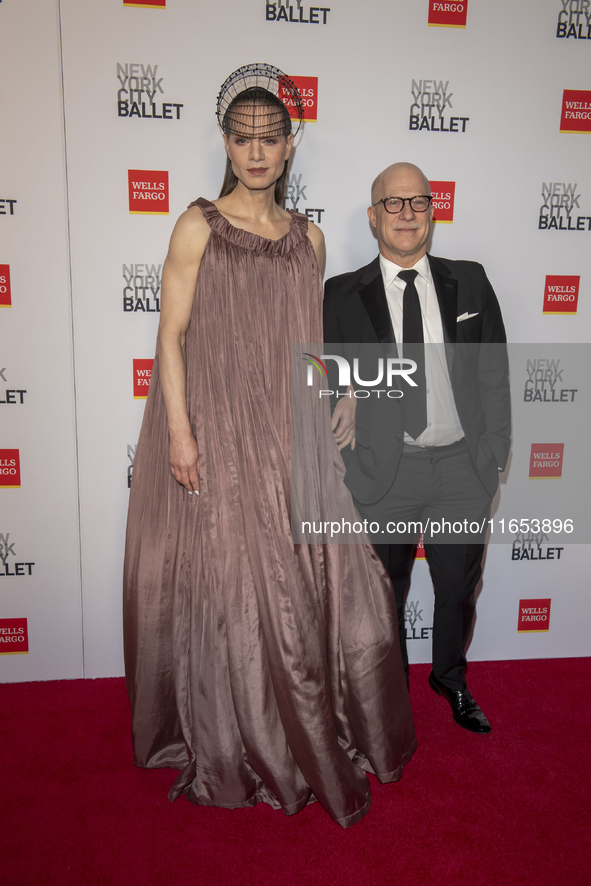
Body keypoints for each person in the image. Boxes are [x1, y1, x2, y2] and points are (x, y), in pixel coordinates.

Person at [123, 66, 415, 829]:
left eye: (270, 138)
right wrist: (179, 430)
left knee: (327, 581)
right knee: (235, 589)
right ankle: (234, 739)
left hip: (288, 429)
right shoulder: (195, 225)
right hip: (217, 426)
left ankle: (308, 723)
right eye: (242, 138)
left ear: (290, 148)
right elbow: (171, 335)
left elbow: (303, 342)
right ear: (226, 144)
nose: (256, 152)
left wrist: (341, 391)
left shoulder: (308, 238)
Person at [324, 162, 510, 735]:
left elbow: (494, 372)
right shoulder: (340, 294)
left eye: (418, 202)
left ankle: (450, 677)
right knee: (385, 596)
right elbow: (318, 362)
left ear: (433, 211)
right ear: (374, 216)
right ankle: (390, 691)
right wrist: (346, 388)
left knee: (457, 589)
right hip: (386, 470)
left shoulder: (470, 281)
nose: (407, 214)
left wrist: (492, 456)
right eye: (394, 204)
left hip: (460, 467)